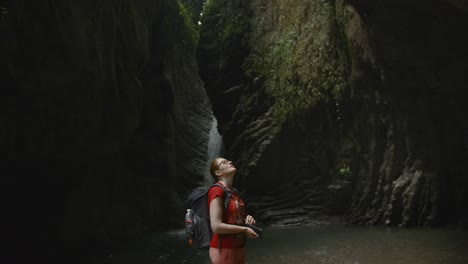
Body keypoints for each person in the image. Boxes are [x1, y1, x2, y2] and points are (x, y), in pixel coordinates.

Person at [208, 158, 259, 264]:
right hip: (223, 249)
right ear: (218, 172)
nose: (230, 162)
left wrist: (246, 222)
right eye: (224, 162)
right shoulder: (216, 190)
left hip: (239, 247)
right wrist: (244, 229)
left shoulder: (234, 192)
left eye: (228, 161)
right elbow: (216, 227)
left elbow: (234, 220)